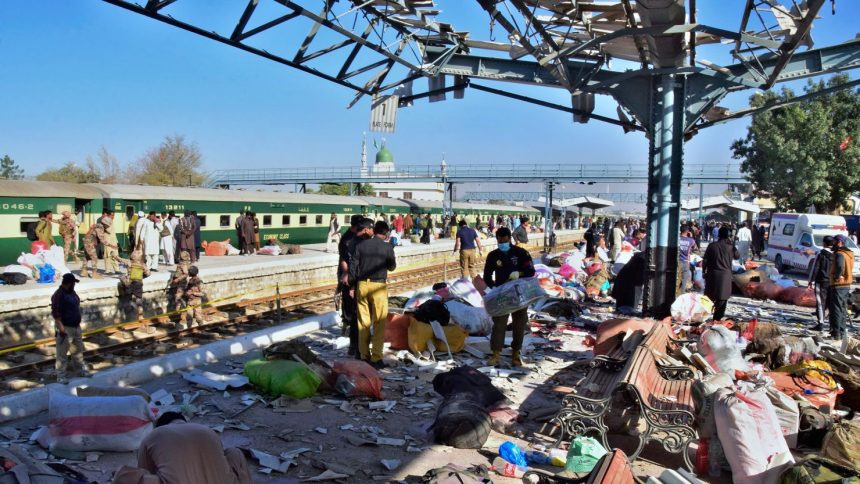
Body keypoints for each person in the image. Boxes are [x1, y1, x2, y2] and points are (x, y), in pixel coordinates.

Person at [113, 411, 252, 484]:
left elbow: (145, 470)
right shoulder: (207, 430)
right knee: (234, 452)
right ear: (184, 421)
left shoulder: (153, 435)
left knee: (125, 475)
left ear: (162, 426)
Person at [482, 227, 535, 367]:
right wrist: (493, 288)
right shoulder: (493, 255)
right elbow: (487, 276)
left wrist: (520, 273)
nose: (501, 244)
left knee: (519, 323)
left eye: (504, 241)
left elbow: (531, 270)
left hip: (519, 292)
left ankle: (516, 354)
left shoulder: (521, 253)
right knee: (499, 324)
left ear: (509, 239)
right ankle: (495, 354)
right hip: (502, 294)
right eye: (499, 241)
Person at [350, 220, 396, 368]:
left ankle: (364, 357)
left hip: (362, 285)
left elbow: (353, 268)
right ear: (386, 233)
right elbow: (392, 266)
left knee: (363, 323)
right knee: (379, 323)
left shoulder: (360, 245)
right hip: (378, 287)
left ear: (374, 230)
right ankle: (376, 358)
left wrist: (352, 286)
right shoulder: (388, 246)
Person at [51, 273, 89, 383]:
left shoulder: (72, 293)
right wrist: (61, 327)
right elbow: (56, 312)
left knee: (77, 351)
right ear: (69, 283)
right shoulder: (58, 295)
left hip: (75, 327)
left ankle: (80, 370)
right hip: (65, 327)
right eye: (73, 283)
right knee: (62, 353)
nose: (74, 285)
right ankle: (61, 375)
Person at [339, 215, 367, 356]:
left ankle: (356, 344)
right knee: (354, 313)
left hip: (353, 278)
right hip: (350, 279)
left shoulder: (356, 237)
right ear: (357, 226)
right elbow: (345, 260)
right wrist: (348, 276)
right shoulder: (348, 240)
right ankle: (355, 345)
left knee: (356, 314)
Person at [703, 226, 738, 321]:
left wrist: (703, 271)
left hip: (712, 274)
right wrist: (732, 244)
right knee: (722, 299)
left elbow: (705, 260)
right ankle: (717, 319)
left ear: (718, 235)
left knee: (709, 298)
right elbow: (737, 256)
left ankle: (702, 318)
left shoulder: (712, 245)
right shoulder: (730, 247)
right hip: (725, 276)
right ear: (728, 236)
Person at [828, 235, 853, 341]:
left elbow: (840, 267)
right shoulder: (849, 254)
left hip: (838, 285)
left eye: (834, 242)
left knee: (836, 310)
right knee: (842, 309)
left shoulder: (839, 254)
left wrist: (836, 276)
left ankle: (836, 333)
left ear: (839, 243)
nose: (832, 244)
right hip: (846, 285)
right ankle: (841, 332)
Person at [809, 235, 834, 333]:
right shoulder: (835, 254)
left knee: (820, 303)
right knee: (830, 303)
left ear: (824, 243)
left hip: (821, 281)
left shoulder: (820, 254)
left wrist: (811, 280)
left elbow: (815, 268)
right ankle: (831, 325)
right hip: (832, 282)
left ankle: (821, 324)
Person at [127, 250, 150, 322]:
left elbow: (120, 260)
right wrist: (142, 276)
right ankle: (140, 315)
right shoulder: (142, 264)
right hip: (138, 283)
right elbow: (148, 273)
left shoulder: (129, 263)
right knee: (138, 298)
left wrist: (114, 256)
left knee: (122, 278)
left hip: (130, 283)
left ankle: (133, 314)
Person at [679, 226, 698, 292]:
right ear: (687, 231)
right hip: (685, 261)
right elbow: (695, 248)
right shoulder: (691, 240)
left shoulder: (677, 239)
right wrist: (691, 237)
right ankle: (681, 294)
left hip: (677, 261)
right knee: (684, 281)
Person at [103, 211, 121, 275]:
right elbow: (108, 230)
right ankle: (107, 270)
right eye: (112, 215)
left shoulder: (111, 221)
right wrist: (109, 220)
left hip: (113, 241)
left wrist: (117, 242)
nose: (113, 217)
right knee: (108, 255)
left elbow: (113, 233)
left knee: (115, 255)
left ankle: (117, 269)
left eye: (113, 215)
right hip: (107, 241)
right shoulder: (105, 220)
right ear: (108, 215)